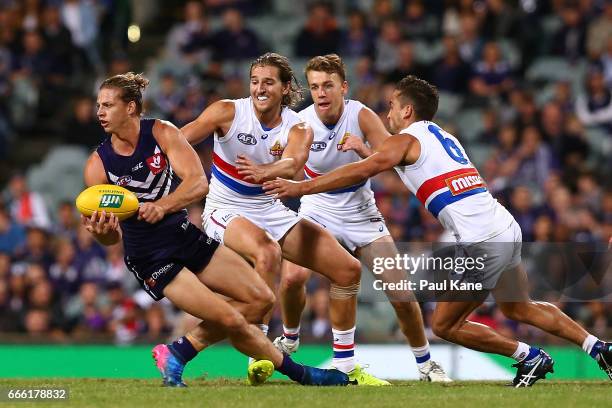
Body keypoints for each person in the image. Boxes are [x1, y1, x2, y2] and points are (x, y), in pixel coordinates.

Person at [263, 75, 612, 387]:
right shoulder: (441, 135)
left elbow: (361, 172)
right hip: (503, 225)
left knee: (445, 325)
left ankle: (528, 356)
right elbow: (407, 173)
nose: (388, 114)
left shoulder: (405, 139)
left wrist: (301, 189)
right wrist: (365, 150)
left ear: (408, 111)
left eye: (392, 107)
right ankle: (597, 348)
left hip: (482, 242)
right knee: (520, 307)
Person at [82, 72, 349, 387]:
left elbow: (198, 182)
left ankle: (178, 351)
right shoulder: (98, 166)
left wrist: (163, 206)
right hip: (151, 256)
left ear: (130, 108)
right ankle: (303, 375)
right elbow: (112, 237)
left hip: (184, 236)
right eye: (99, 105)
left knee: (261, 300)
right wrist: (101, 232)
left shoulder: (162, 133)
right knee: (230, 317)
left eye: (108, 105)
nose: (99, 112)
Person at [181, 53, 386, 385]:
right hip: (225, 206)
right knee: (267, 252)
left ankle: (346, 366)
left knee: (346, 270)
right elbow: (180, 138)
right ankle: (258, 353)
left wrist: (266, 171)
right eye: (255, 81)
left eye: (268, 82)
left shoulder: (298, 126)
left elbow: (293, 163)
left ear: (285, 87)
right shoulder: (228, 111)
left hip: (270, 207)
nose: (259, 89)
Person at [275, 54, 450, 382]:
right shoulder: (300, 123)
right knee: (292, 278)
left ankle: (426, 364)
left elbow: (392, 161)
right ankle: (290, 337)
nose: (321, 93)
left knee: (400, 293)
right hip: (317, 207)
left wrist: (363, 150)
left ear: (344, 87)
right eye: (314, 87)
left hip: (361, 212)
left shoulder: (362, 115)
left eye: (328, 85)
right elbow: (289, 162)